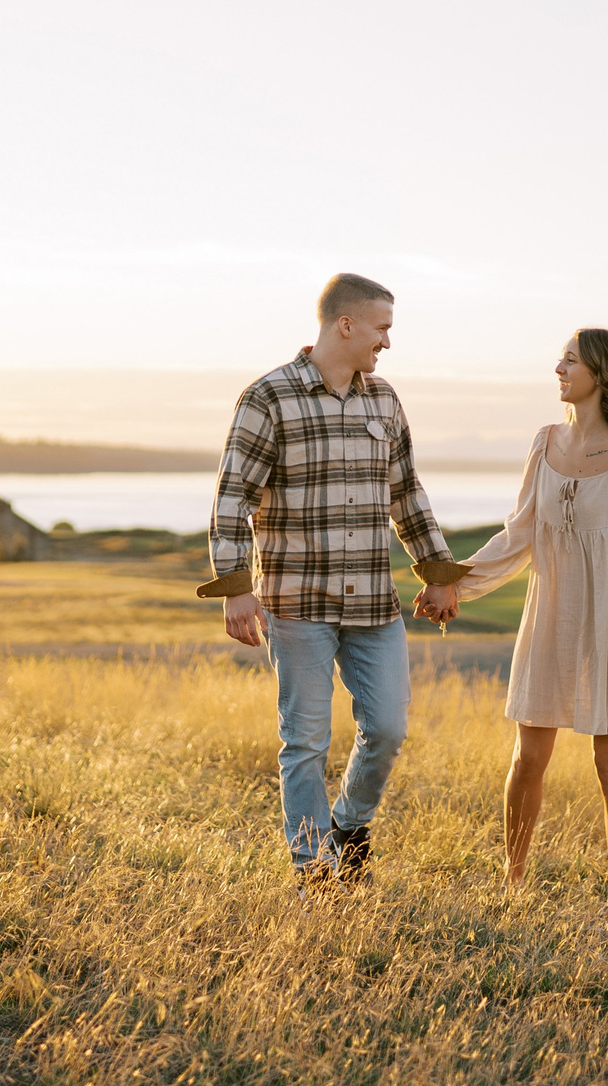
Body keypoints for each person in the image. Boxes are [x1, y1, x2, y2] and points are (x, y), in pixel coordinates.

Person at [200, 273, 471, 887]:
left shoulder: (384, 400)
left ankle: (347, 827)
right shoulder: (267, 397)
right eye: (382, 328)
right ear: (344, 324)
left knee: (388, 727)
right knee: (306, 742)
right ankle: (314, 869)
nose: (387, 342)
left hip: (375, 603)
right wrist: (237, 587)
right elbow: (230, 499)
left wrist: (437, 572)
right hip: (298, 603)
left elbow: (406, 493)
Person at [446, 327, 608, 920]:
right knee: (528, 757)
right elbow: (520, 533)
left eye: (569, 360)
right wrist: (457, 583)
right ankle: (513, 882)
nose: (558, 368)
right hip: (550, 611)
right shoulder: (544, 442)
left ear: (602, 372)